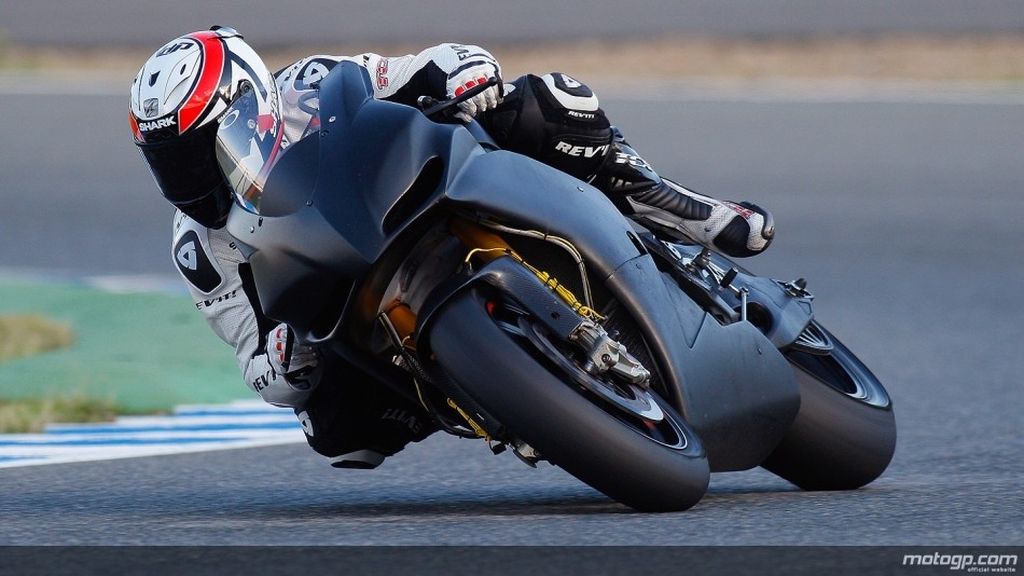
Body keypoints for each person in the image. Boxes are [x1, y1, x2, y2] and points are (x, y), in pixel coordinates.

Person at [130, 27, 775, 469]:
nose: (188, 178)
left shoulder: (308, 84)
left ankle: (670, 201)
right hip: (351, 294)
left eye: (197, 150)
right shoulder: (199, 246)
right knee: (333, 431)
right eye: (170, 162)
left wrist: (463, 73)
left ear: (250, 102)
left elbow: (408, 71)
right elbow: (253, 354)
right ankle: (491, 391)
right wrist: (276, 357)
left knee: (542, 101)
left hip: (414, 191)